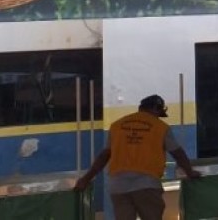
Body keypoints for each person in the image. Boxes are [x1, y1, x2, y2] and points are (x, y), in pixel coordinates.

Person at [74, 94, 202, 220]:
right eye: (159, 113)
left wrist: (86, 179)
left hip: (118, 186)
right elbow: (177, 152)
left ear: (141, 108)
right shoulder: (161, 127)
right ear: (156, 108)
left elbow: (104, 155)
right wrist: (189, 172)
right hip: (147, 185)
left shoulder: (117, 125)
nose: (158, 117)